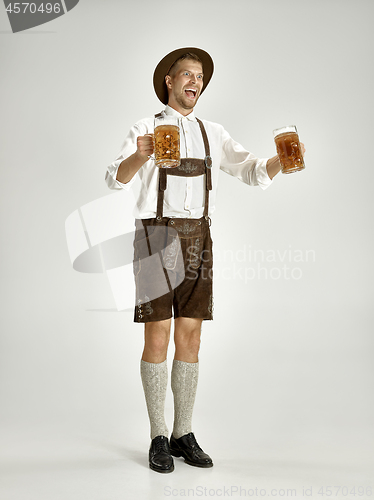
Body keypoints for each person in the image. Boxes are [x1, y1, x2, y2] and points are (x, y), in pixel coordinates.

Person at [105, 47, 305, 473]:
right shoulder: (146, 127)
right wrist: (141, 154)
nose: (195, 81)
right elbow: (114, 180)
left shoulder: (212, 131)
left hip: (199, 237)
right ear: (169, 82)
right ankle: (158, 434)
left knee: (191, 338)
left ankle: (183, 433)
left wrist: (281, 163)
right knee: (157, 336)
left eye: (200, 76)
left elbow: (251, 170)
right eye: (186, 75)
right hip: (156, 237)